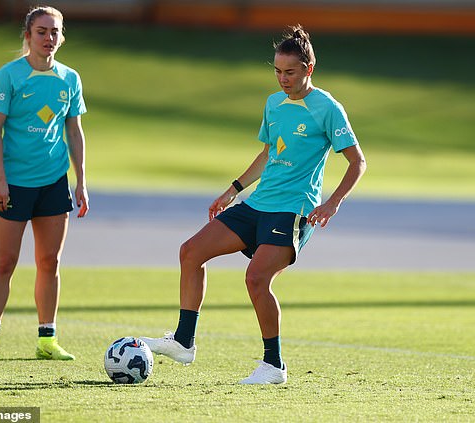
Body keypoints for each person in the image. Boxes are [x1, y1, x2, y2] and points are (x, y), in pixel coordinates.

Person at [141, 25, 366, 384]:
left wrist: (333, 203)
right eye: (277, 71)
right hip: (257, 204)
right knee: (190, 251)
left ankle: (273, 366)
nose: (282, 79)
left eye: (289, 72)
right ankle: (183, 342)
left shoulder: (328, 108)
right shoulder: (273, 104)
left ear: (308, 69)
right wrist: (233, 189)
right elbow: (267, 154)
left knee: (256, 279)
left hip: (293, 209)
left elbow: (358, 163)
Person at [0, 6, 89, 361]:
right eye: (41, 31)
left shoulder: (70, 78)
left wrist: (81, 181)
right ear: (28, 35)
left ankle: (46, 339)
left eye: (54, 31)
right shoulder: (9, 77)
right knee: (5, 262)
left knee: (49, 262)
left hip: (54, 182)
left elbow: (74, 131)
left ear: (61, 36)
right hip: (14, 184)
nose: (48, 38)